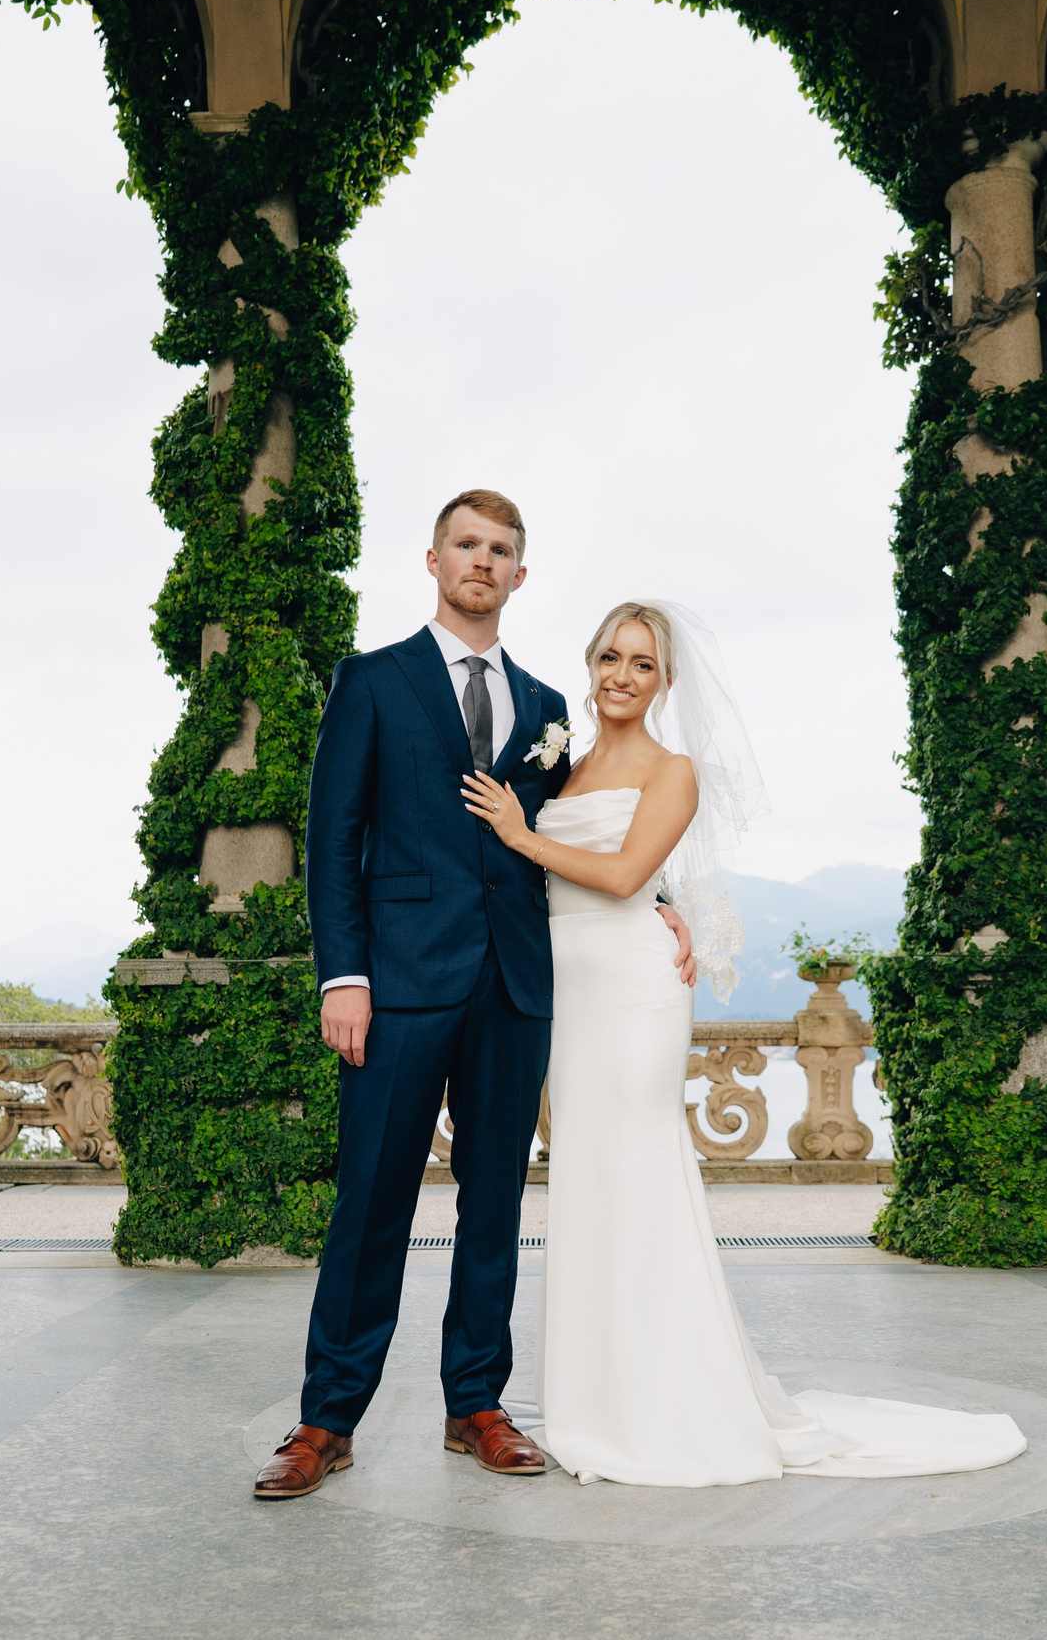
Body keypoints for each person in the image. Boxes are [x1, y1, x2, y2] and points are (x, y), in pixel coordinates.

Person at [461, 600, 1029, 1485]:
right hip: (565, 991)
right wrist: (660, 900)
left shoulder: (674, 768)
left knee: (640, 1171)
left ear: (666, 682)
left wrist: (522, 834)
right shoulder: (558, 762)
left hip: (634, 992)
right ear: (590, 659)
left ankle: (674, 1404)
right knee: (587, 1181)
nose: (621, 674)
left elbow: (619, 875)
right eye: (611, 655)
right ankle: (596, 1399)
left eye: (642, 663)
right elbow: (586, 882)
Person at [252, 491, 695, 1501]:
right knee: (371, 1202)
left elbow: (582, 827)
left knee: (494, 1203)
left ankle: (476, 1404)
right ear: (434, 558)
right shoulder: (370, 681)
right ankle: (326, 1417)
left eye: (501, 549)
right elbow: (334, 841)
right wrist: (345, 974)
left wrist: (658, 899)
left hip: (512, 985)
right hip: (397, 987)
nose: (482, 561)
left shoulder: (546, 707)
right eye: (467, 544)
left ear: (519, 574)